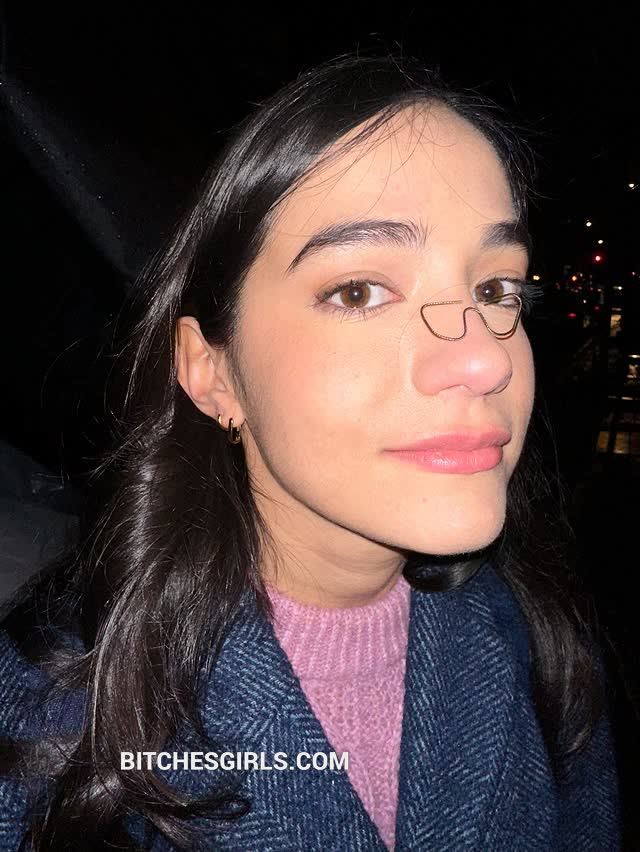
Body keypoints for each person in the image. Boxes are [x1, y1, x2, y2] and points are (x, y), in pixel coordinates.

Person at [0, 50, 621, 850]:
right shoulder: (48, 725)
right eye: (359, 291)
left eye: (496, 289)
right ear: (212, 372)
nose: (484, 360)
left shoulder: (542, 642)